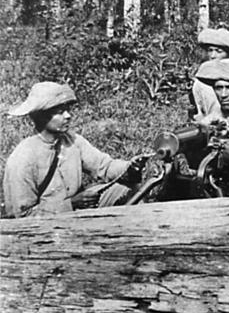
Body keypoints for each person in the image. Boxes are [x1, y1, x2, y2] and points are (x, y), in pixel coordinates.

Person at [3, 82, 144, 217]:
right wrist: (71, 204)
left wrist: (129, 167)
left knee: (129, 191)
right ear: (40, 117)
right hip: (47, 226)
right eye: (59, 112)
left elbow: (104, 166)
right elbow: (21, 215)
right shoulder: (23, 158)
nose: (68, 116)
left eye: (67, 110)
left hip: (77, 210)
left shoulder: (72, 141)